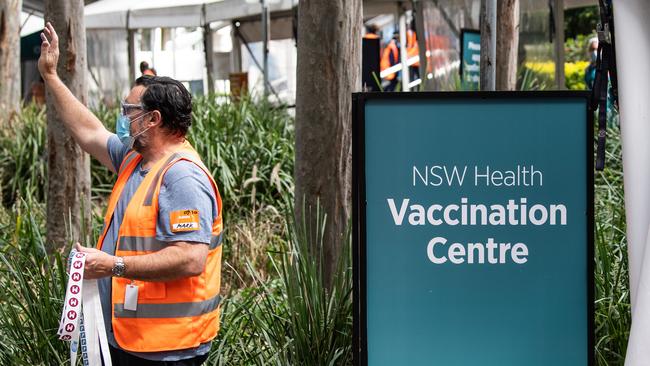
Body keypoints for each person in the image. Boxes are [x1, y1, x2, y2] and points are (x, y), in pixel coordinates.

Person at [38, 23, 222, 365]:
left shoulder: (182, 176)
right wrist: (51, 76)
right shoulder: (133, 159)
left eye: (129, 112)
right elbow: (88, 130)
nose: (122, 119)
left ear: (153, 119)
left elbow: (190, 258)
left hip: (168, 349)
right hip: (132, 340)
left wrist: (113, 265)